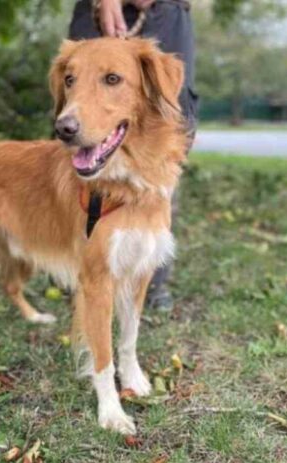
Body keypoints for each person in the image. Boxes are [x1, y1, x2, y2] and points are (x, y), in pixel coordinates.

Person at [67, 0, 198, 310]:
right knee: (81, 125)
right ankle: (82, 269)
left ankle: (146, 278)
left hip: (166, 11)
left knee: (167, 130)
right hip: (95, 9)